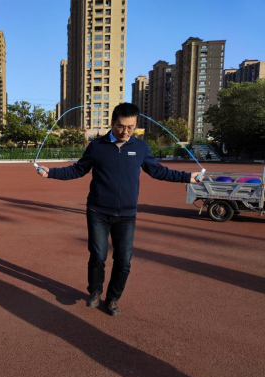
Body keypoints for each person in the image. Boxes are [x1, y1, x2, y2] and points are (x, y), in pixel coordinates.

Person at [37, 103, 203, 316]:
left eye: (131, 127)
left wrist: (187, 177)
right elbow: (78, 169)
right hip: (98, 212)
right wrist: (51, 173)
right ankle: (95, 292)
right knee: (98, 256)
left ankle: (113, 298)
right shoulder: (97, 146)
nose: (125, 131)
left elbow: (158, 171)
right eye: (121, 126)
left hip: (126, 215)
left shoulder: (140, 147)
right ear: (112, 123)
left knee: (123, 262)